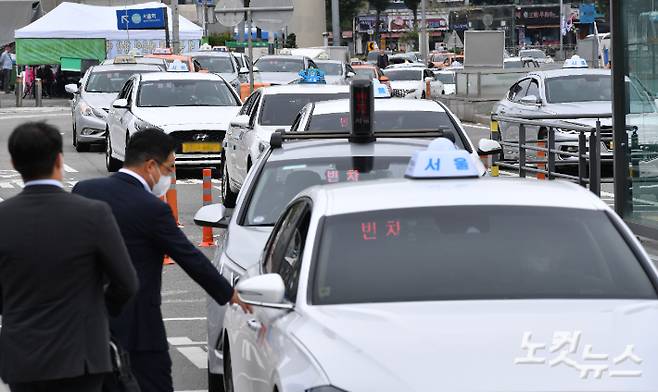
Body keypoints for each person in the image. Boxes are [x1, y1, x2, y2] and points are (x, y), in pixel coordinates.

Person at [72, 129, 252, 392]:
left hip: (86, 328)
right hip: (139, 333)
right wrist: (230, 293)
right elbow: (190, 258)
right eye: (169, 168)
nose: (169, 175)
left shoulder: (84, 190)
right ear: (150, 166)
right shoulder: (152, 208)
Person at [0, 122, 139, 392]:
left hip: (24, 355)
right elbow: (127, 283)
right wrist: (99, 308)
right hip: (83, 353)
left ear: (15, 163)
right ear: (59, 160)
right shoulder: (93, 214)